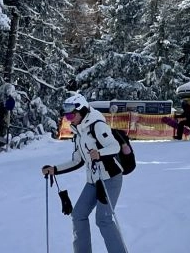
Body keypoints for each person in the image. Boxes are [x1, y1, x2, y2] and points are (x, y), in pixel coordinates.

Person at [42, 93, 128, 253]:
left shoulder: (97, 125)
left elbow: (114, 146)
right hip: (94, 180)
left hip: (110, 178)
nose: (68, 118)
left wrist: (100, 153)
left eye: (70, 115)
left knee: (103, 219)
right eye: (66, 115)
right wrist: (55, 170)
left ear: (81, 111)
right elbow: (78, 161)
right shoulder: (79, 132)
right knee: (78, 215)